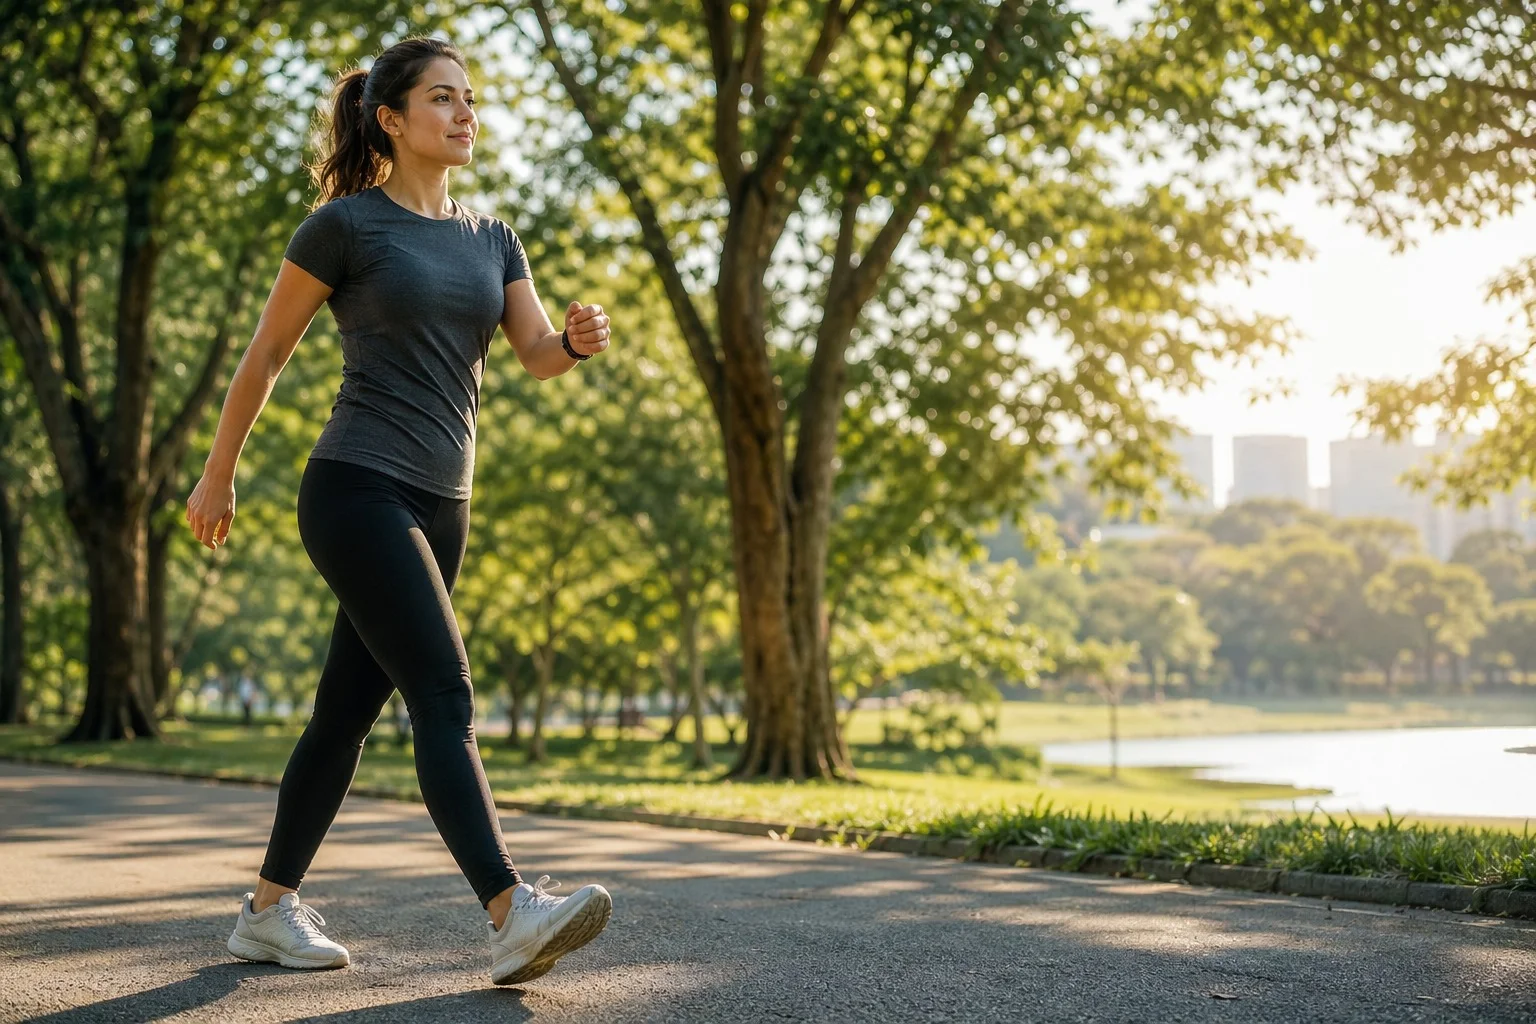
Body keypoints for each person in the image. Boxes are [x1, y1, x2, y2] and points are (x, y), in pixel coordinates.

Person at [184, 35, 614, 986]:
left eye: (471, 99)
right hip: (354, 488)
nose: (466, 115)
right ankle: (511, 912)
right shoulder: (343, 228)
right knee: (443, 690)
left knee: (343, 715)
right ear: (391, 119)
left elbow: (535, 351)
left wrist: (576, 341)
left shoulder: (494, 238)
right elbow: (266, 355)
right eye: (443, 99)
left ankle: (265, 912)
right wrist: (219, 473)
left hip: (442, 501)